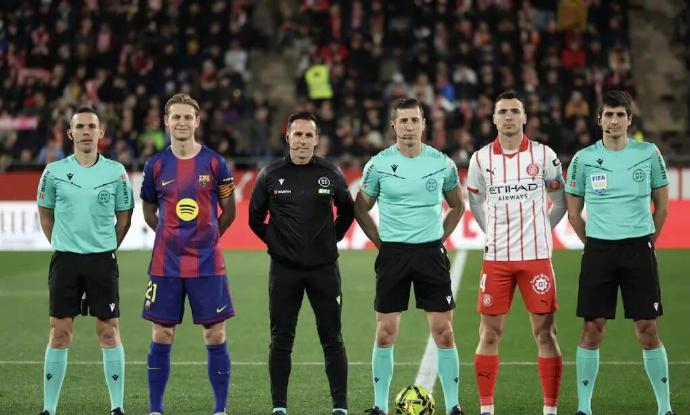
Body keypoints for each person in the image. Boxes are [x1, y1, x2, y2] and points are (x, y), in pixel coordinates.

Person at [566, 90, 674, 415]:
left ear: (629, 120)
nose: (614, 121)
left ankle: (665, 408)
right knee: (592, 328)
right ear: (599, 119)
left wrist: (647, 241)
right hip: (599, 251)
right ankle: (584, 409)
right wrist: (593, 244)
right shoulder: (583, 159)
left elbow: (662, 207)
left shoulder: (649, 153)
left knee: (648, 329)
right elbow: (574, 213)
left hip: (638, 249)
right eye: (609, 115)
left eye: (620, 115)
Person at [354, 98, 466, 415]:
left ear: (423, 124)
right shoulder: (378, 165)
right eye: (403, 121)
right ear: (394, 126)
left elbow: (457, 205)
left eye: (414, 120)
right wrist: (381, 242)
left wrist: (438, 239)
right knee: (385, 332)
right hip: (393, 255)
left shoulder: (441, 163)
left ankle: (454, 406)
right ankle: (379, 405)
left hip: (430, 254)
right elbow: (360, 207)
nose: (408, 126)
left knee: (444, 332)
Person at [466, 91, 567, 415]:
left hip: (536, 257)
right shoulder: (480, 159)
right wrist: (491, 231)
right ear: (494, 118)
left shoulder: (545, 155)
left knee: (545, 333)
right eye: (503, 112)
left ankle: (550, 410)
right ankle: (486, 409)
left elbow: (561, 202)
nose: (508, 116)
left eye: (514, 111)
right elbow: (475, 202)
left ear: (524, 117)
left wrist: (543, 230)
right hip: (497, 259)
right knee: (489, 333)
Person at [248, 112, 355, 415]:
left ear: (317, 139)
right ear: (288, 137)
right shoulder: (270, 174)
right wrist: (277, 244)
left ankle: (340, 406)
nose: (303, 141)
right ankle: (279, 406)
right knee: (281, 339)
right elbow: (254, 218)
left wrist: (331, 238)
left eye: (309, 135)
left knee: (332, 338)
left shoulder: (330, 173)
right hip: (284, 271)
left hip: (324, 270)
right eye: (298, 134)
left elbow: (347, 211)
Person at [140, 94, 236, 415]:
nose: (182, 122)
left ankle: (220, 410)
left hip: (207, 263)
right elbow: (149, 209)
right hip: (165, 263)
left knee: (215, 333)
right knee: (162, 332)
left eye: (187, 117)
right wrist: (168, 236)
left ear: (197, 121)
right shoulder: (155, 165)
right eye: (176, 117)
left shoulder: (215, 163)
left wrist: (209, 238)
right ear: (166, 122)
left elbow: (229, 210)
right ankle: (156, 409)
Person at [36, 107, 134, 415]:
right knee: (59, 332)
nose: (86, 131)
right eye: (80, 127)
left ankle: (117, 407)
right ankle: (49, 409)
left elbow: (124, 217)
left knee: (108, 331)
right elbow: (45, 214)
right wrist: (63, 244)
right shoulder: (53, 171)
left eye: (92, 126)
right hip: (65, 260)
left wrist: (106, 246)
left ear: (101, 133)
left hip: (102, 260)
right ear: (71, 133)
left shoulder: (116, 172)